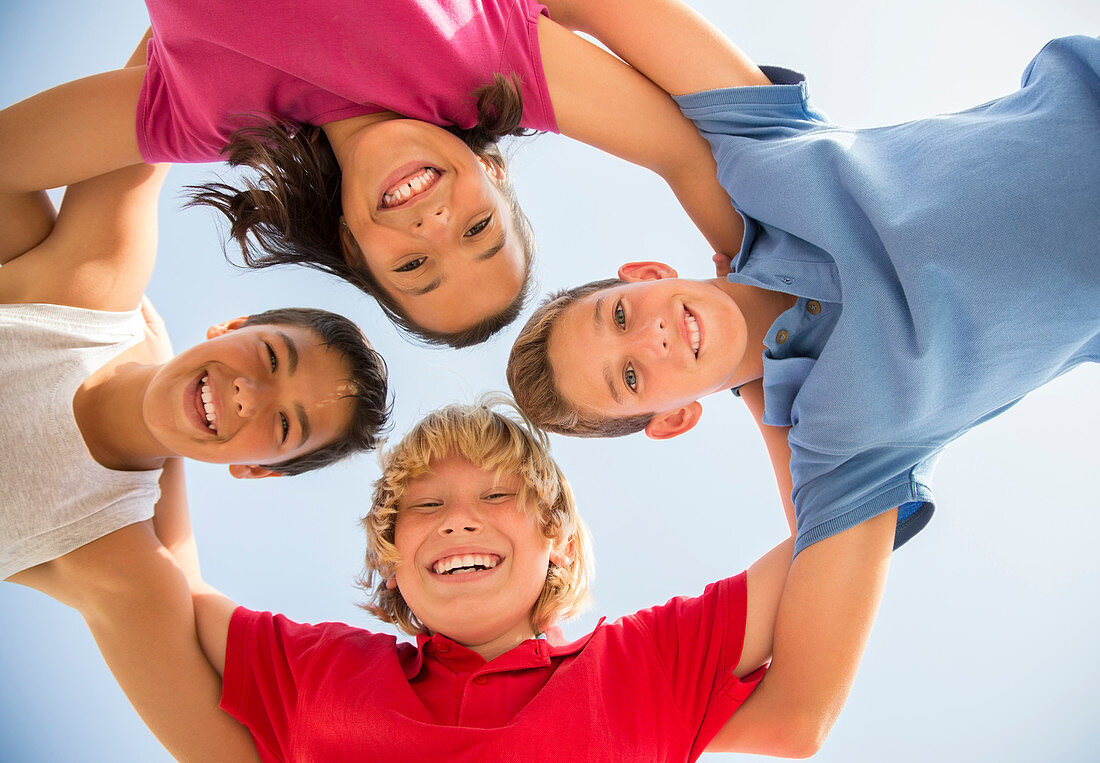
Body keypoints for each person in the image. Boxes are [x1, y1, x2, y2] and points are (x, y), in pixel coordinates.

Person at [507, 20, 1100, 553]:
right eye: (631, 378)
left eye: (616, 317)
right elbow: (814, 548)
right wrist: (766, 399)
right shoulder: (837, 441)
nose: (650, 338)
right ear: (674, 419)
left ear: (647, 275)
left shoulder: (756, 158)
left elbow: (586, 13)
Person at [36, 397, 890, 760]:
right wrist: (163, 415)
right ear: (390, 558)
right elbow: (161, 597)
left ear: (557, 539)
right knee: (110, 570)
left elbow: (835, 521)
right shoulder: (325, 669)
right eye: (426, 505)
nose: (458, 517)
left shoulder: (642, 666)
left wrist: (751, 368)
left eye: (496, 495)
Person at [0, 0, 751, 346]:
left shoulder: (206, 118)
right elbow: (684, 151)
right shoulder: (491, 59)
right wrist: (755, 309)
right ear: (493, 170)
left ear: (354, 247)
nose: (434, 225)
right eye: (480, 228)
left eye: (417, 265)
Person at [0, 33, 391, 580]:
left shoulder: (112, 549)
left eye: (283, 425)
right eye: (271, 358)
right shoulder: (92, 289)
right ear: (229, 326)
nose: (248, 392)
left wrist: (169, 468)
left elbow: (196, 622)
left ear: (255, 469)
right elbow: (166, 72)